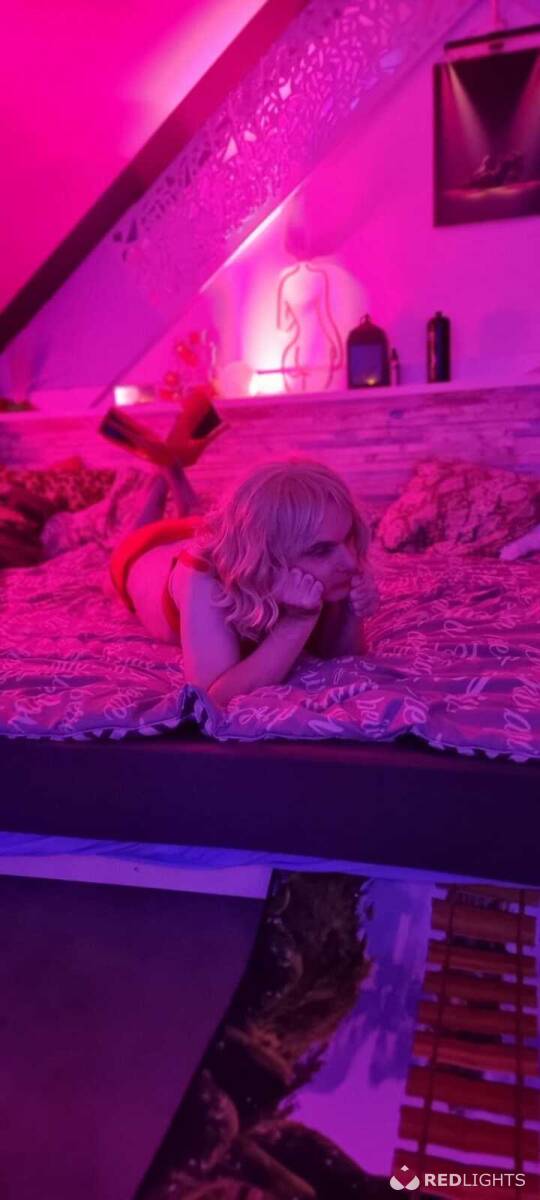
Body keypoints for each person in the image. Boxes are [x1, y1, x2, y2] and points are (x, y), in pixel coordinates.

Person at [109, 398, 379, 707]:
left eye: (348, 538)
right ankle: (160, 482)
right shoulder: (206, 579)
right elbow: (212, 697)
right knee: (132, 540)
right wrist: (297, 622)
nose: (350, 561)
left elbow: (342, 655)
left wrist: (350, 613)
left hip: (205, 530)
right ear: (269, 558)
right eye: (321, 551)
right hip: (146, 551)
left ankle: (174, 473)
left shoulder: (319, 550)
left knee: (198, 519)